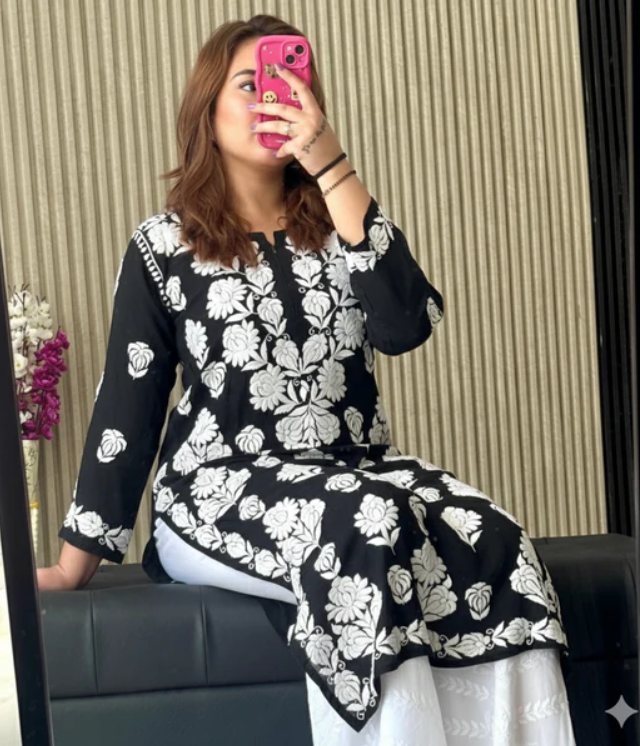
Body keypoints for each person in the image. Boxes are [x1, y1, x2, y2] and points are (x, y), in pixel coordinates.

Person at [38, 14, 577, 746]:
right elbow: (126, 407)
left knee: (492, 537)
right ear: (206, 106)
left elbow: (406, 325)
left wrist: (333, 167)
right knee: (365, 525)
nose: (273, 98)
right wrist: (73, 567)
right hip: (217, 489)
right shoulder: (164, 246)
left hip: (357, 472)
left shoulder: (340, 222)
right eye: (249, 84)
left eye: (290, 84)